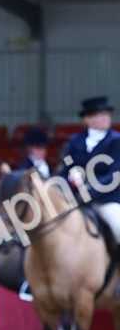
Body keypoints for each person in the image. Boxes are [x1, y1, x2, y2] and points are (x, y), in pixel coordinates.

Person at [57, 96, 120, 243]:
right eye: (100, 114)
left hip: (107, 200)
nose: (105, 118)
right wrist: (71, 178)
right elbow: (66, 167)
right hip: (76, 200)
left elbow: (116, 173)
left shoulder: (117, 141)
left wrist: (90, 191)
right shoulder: (74, 141)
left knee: (118, 227)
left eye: (106, 114)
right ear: (87, 119)